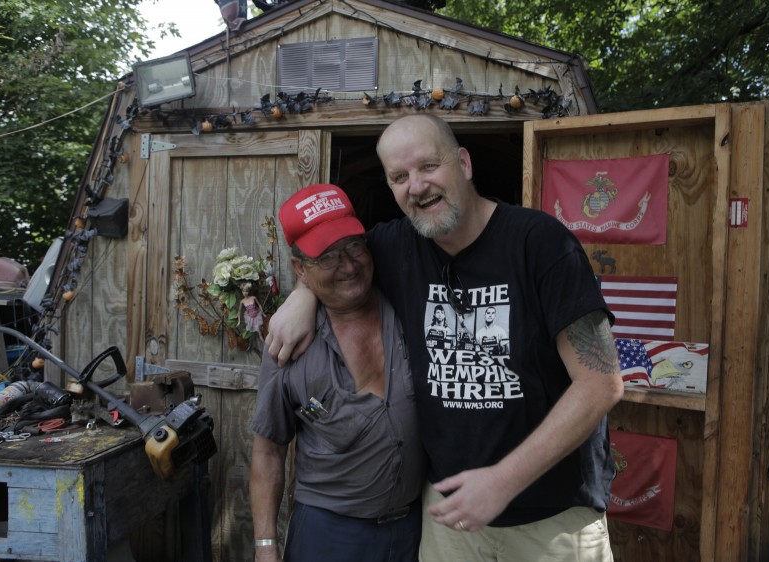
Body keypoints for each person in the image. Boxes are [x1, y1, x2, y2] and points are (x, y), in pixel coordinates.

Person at [266, 114, 624, 561]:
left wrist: (503, 480)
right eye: (399, 177)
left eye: (429, 166)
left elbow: (600, 383)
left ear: (464, 164)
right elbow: (334, 264)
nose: (417, 186)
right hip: (449, 519)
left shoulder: (540, 243)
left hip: (550, 518)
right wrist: (302, 296)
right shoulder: (395, 246)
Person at [249, 184, 426, 562]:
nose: (348, 265)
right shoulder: (286, 344)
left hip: (415, 528)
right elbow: (268, 451)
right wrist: (265, 547)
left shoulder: (405, 300)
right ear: (300, 268)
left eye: (354, 246)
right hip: (329, 535)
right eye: (327, 256)